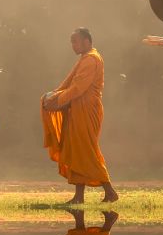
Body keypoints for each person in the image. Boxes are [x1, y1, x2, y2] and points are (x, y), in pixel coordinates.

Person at [41, 28, 118, 204]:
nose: (73, 46)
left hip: (86, 110)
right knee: (77, 151)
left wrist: (57, 99)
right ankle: (79, 197)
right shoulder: (85, 59)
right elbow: (70, 84)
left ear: (86, 41)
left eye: (75, 41)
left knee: (87, 151)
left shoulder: (91, 59)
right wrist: (56, 95)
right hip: (77, 109)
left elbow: (78, 88)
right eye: (72, 42)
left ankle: (110, 191)